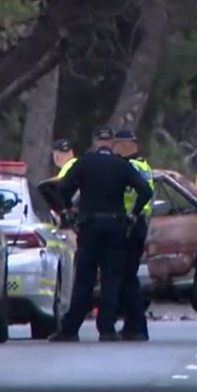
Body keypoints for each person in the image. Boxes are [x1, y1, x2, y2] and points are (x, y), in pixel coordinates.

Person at [49, 126, 153, 342]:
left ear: (95, 141)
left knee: (84, 278)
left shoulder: (84, 163)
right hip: (116, 226)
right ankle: (106, 328)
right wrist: (133, 213)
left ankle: (71, 329)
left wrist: (68, 208)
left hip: (89, 226)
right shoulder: (121, 165)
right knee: (112, 278)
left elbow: (63, 187)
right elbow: (145, 190)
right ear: (112, 142)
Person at [114, 128, 155, 341]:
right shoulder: (143, 165)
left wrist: (132, 214)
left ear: (125, 144)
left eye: (117, 145)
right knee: (128, 276)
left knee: (127, 278)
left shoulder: (131, 166)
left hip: (131, 224)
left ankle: (136, 325)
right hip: (139, 225)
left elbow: (139, 194)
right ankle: (133, 324)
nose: (115, 149)